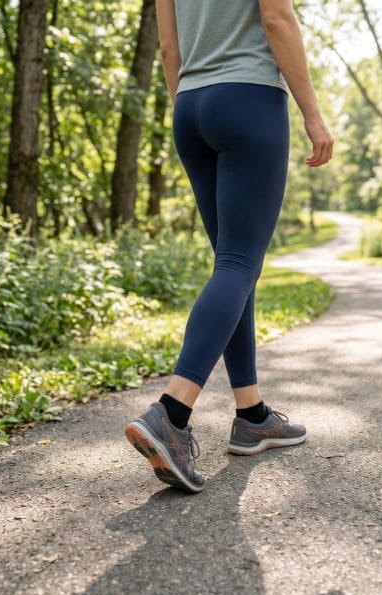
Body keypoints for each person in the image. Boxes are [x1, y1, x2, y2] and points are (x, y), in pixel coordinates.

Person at [124, 0, 334, 493]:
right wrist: (313, 114)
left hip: (191, 107)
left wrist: (188, 105)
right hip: (248, 99)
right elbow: (277, 18)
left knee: (235, 267)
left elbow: (170, 47)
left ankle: (252, 414)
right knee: (239, 262)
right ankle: (171, 414)